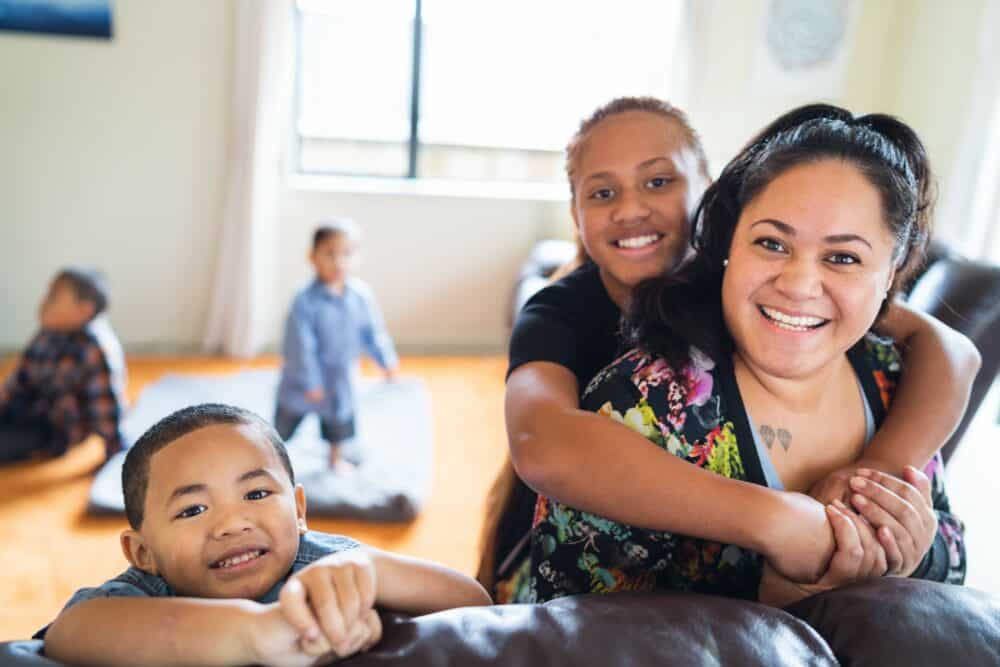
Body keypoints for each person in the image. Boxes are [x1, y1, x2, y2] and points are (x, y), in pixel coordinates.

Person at [486, 98, 978, 601]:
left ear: (706, 190)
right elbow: (543, 444)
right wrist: (779, 529)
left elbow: (953, 351)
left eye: (658, 181)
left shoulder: (862, 349)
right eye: (603, 191)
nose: (801, 284)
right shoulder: (579, 333)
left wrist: (886, 489)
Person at [39, 403, 490, 666]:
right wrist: (257, 633)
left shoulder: (323, 563)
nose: (233, 523)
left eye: (255, 493)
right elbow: (68, 633)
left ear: (298, 510)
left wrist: (372, 570)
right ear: (143, 552)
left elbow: (477, 606)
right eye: (193, 509)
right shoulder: (142, 593)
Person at [275, 220, 399, 469]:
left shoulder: (361, 296)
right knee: (285, 422)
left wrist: (386, 361)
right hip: (305, 378)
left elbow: (373, 333)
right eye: (330, 254)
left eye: (347, 254)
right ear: (313, 257)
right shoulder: (305, 300)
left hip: (340, 376)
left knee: (338, 421)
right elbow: (299, 346)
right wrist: (311, 382)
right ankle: (272, 457)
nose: (339, 262)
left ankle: (335, 459)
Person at [0, 267, 126, 464]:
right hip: (28, 406)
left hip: (54, 428)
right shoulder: (48, 333)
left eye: (53, 296)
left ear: (84, 310)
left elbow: (106, 408)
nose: (43, 302)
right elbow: (21, 377)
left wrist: (114, 449)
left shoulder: (96, 349)